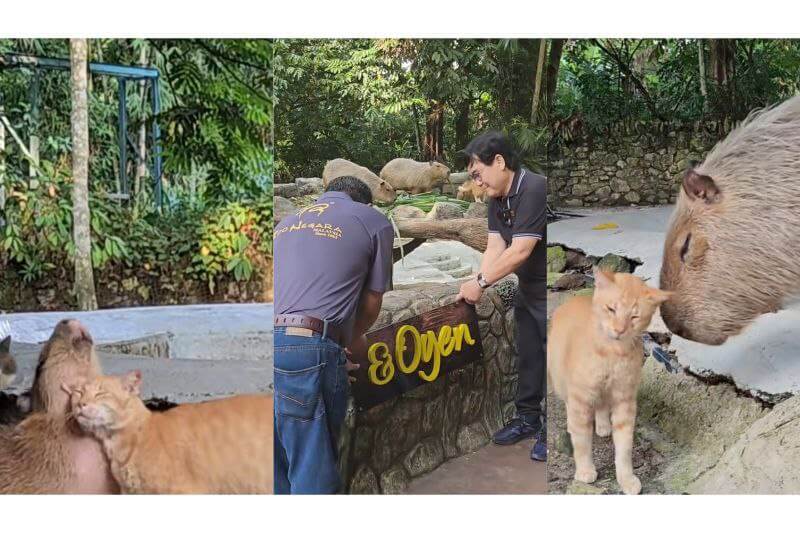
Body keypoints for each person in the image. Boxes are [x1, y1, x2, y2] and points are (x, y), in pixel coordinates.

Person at [273, 175, 394, 494]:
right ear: (364, 201)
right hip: (309, 350)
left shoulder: (285, 223)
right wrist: (338, 346)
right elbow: (371, 300)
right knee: (314, 468)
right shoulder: (374, 219)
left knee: (278, 466)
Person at [457, 131, 548, 462]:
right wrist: (477, 284)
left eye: (477, 174)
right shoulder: (497, 201)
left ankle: (551, 431)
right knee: (528, 357)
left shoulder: (535, 187)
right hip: (527, 291)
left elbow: (520, 250)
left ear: (499, 162)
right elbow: (495, 246)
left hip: (549, 291)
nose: (477, 184)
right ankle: (527, 419)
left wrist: (481, 282)